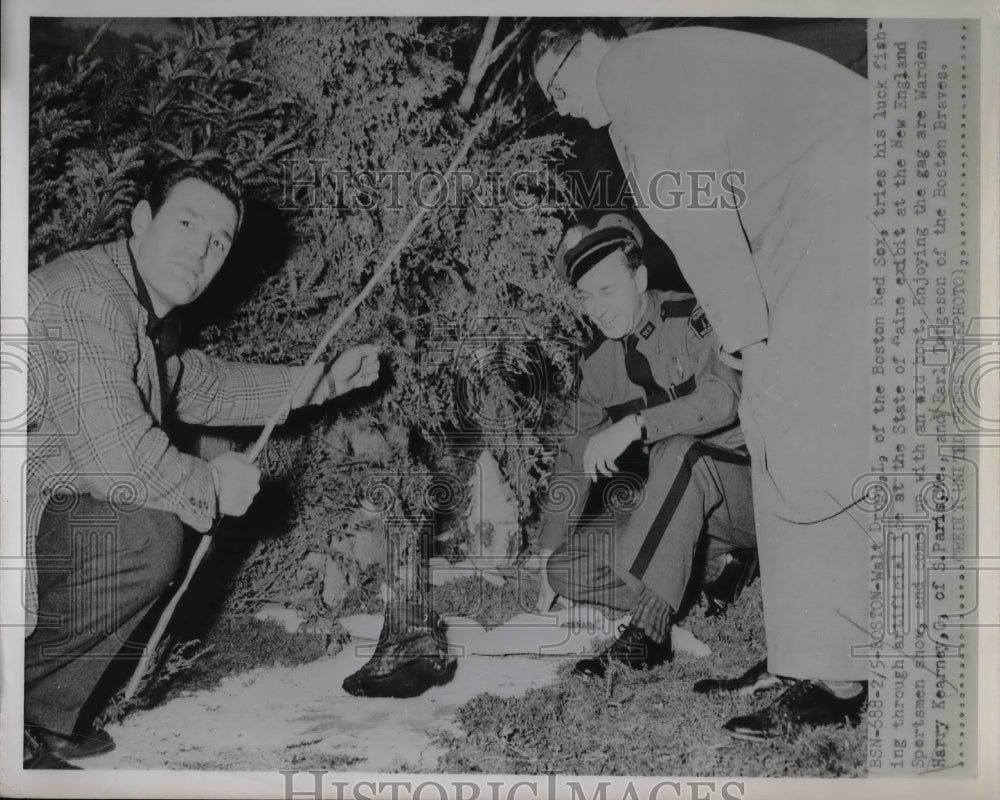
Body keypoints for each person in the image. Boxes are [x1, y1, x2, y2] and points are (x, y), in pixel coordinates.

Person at [533, 21, 870, 738]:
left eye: (555, 88)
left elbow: (696, 202)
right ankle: (801, 654)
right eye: (582, 296)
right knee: (783, 439)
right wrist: (547, 544)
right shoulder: (659, 71)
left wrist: (742, 327)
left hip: (834, 215)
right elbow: (571, 441)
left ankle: (835, 676)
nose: (560, 107)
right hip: (817, 216)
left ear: (578, 50)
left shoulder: (638, 73)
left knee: (793, 435)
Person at [23, 159, 380, 768]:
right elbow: (120, 465)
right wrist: (211, 484)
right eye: (185, 223)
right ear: (141, 221)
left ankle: (41, 714)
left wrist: (321, 383)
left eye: (218, 242)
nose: (200, 251)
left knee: (153, 516)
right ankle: (15, 708)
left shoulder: (134, 304)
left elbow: (203, 384)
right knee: (141, 532)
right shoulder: (86, 297)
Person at [537, 214, 757, 679]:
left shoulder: (692, 317)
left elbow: (724, 399)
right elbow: (573, 453)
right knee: (566, 567)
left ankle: (650, 632)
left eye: (608, 290)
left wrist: (637, 424)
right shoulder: (598, 365)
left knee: (676, 450)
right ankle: (705, 574)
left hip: (741, 494)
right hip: (678, 510)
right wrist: (547, 547)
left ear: (639, 279)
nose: (597, 309)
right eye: (586, 296)